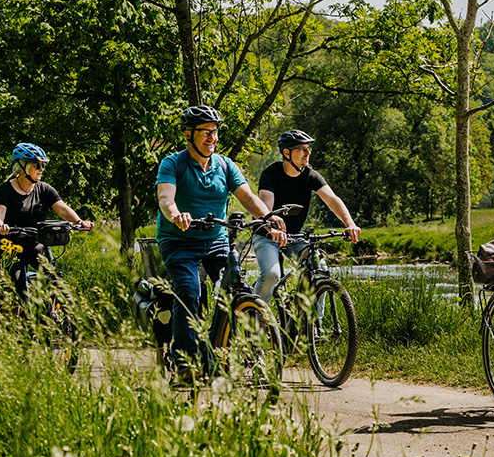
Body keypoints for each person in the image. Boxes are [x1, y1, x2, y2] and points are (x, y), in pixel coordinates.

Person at [155, 105, 286, 373]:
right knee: (190, 290)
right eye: (205, 132)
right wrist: (176, 214)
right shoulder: (173, 163)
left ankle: (220, 345)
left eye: (215, 132)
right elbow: (165, 199)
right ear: (188, 134)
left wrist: (268, 217)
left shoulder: (225, 165)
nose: (212, 138)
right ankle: (185, 360)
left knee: (236, 288)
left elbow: (248, 197)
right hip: (178, 242)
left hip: (215, 241)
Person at [252, 129, 362, 301]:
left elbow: (332, 200)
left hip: (295, 236)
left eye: (308, 148)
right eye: (302, 149)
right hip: (267, 234)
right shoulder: (270, 174)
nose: (308, 153)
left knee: (320, 272)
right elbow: (266, 206)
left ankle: (310, 325)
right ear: (287, 153)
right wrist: (272, 227)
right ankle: (255, 318)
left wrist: (350, 224)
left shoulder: (310, 175)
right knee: (272, 275)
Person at [0, 142, 92, 297]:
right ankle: (18, 319)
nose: (41, 169)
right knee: (19, 289)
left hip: (35, 243)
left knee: (56, 281)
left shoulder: (44, 189)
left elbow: (62, 209)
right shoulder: (4, 190)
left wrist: (79, 222)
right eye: (37, 165)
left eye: (42, 165)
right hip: (10, 247)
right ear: (22, 166)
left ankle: (57, 315)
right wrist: (0, 225)